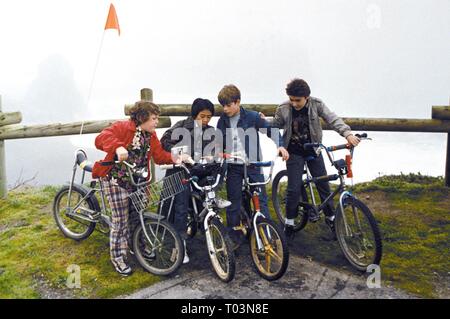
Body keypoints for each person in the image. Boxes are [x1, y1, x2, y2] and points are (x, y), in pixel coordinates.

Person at [92, 100, 189, 276]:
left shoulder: (151, 135)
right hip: (116, 180)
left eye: (157, 118)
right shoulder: (123, 128)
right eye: (154, 118)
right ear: (143, 118)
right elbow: (100, 138)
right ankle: (118, 257)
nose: (156, 122)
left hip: (137, 181)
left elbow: (159, 156)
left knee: (137, 215)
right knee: (120, 221)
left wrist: (177, 158)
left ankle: (137, 245)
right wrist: (118, 147)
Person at [272, 78, 360, 240]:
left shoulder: (316, 104)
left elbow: (332, 119)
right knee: (293, 188)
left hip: (314, 149)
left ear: (307, 97)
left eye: (297, 100)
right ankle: (289, 223)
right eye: (291, 100)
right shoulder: (284, 108)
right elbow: (275, 125)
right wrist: (265, 123)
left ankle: (331, 219)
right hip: (294, 151)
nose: (294, 103)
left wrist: (347, 134)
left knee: (323, 184)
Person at [216, 84, 289, 248]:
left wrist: (280, 146)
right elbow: (219, 142)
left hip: (253, 165)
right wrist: (220, 152)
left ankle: (267, 236)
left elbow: (272, 131)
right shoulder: (222, 121)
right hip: (233, 167)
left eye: (228, 105)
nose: (225, 109)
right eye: (223, 106)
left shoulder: (252, 116)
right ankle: (234, 241)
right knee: (233, 203)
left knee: (261, 201)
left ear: (238, 102)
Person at [160, 97, 227, 264]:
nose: (205, 120)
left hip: (201, 171)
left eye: (209, 117)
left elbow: (219, 150)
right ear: (194, 114)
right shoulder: (181, 126)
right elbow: (164, 142)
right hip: (180, 171)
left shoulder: (211, 131)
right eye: (202, 116)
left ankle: (210, 231)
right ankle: (179, 245)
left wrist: (213, 155)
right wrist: (179, 154)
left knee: (209, 200)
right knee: (180, 207)